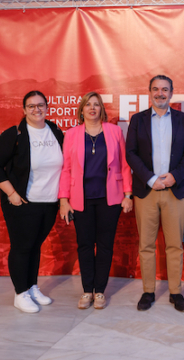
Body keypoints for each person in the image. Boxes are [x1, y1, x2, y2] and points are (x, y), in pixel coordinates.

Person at [126, 75, 184, 312]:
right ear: (149, 92)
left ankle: (175, 292)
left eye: (164, 89)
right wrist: (151, 178)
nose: (160, 93)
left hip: (174, 191)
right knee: (146, 245)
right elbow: (131, 153)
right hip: (147, 191)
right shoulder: (137, 120)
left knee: (175, 245)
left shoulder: (183, 120)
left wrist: (175, 176)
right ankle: (148, 291)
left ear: (172, 93)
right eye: (155, 89)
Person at [59, 92, 132, 310]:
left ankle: (99, 291)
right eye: (88, 105)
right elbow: (66, 169)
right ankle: (86, 291)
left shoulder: (114, 131)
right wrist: (63, 199)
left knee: (105, 245)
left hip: (110, 199)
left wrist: (128, 195)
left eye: (96, 105)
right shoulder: (72, 134)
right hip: (81, 200)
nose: (92, 108)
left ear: (102, 109)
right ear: (81, 110)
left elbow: (125, 165)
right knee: (84, 245)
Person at [0, 90, 64, 313]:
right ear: (24, 110)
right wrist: (11, 194)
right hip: (22, 202)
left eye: (40, 105)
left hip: (49, 201)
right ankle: (20, 293)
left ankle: (32, 286)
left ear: (47, 107)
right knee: (22, 247)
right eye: (31, 106)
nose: (37, 109)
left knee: (35, 246)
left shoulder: (54, 131)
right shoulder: (14, 134)